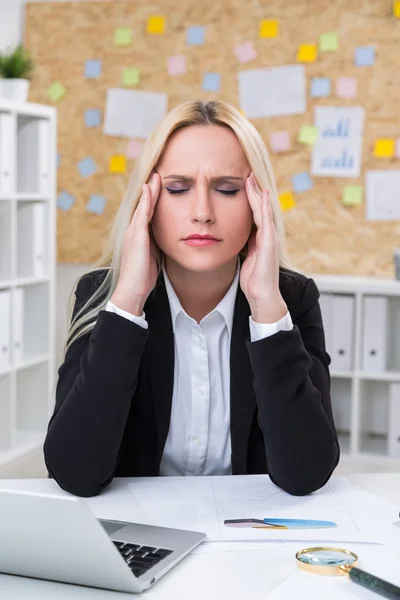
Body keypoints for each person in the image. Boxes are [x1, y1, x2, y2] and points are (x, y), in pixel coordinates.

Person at [44, 100, 340, 498]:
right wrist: (128, 302)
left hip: (248, 539)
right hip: (137, 531)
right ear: (146, 201)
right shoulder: (102, 293)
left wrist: (267, 307)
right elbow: (74, 473)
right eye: (178, 189)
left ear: (258, 205)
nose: (202, 212)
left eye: (227, 189)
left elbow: (306, 474)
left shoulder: (291, 297)